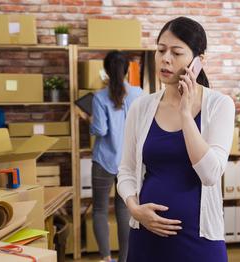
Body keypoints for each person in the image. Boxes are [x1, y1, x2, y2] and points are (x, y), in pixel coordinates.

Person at [116, 17, 235, 262]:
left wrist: (185, 113)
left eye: (176, 52)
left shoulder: (220, 105)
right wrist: (135, 210)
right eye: (161, 50)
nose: (165, 59)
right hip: (146, 237)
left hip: (199, 239)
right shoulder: (141, 107)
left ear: (199, 61)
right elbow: (126, 171)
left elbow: (211, 174)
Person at [89, 50, 143, 262]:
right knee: (125, 210)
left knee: (101, 210)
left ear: (106, 71)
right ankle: (125, 259)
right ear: (127, 70)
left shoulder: (99, 97)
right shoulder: (138, 94)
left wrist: (88, 119)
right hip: (128, 164)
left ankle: (105, 258)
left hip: (104, 161)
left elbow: (100, 130)